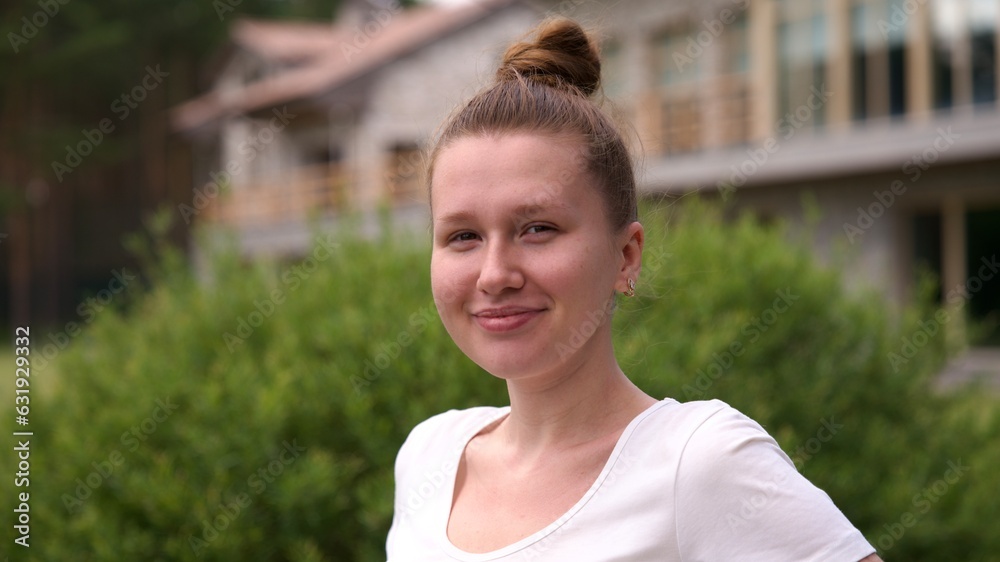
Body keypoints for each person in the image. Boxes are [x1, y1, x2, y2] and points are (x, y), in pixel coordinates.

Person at [386, 18, 881, 561]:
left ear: (626, 256)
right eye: (463, 236)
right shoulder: (428, 457)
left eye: (538, 229)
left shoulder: (697, 463)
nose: (494, 273)